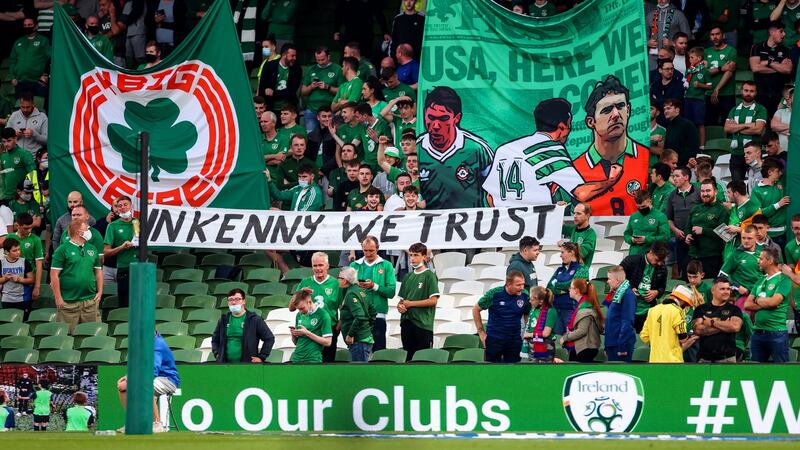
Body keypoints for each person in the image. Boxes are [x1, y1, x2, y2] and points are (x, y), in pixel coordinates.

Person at [484, 97, 622, 208]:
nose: (569, 129)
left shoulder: (504, 149)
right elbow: (581, 193)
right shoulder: (550, 149)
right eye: (569, 124)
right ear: (562, 126)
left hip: (504, 229)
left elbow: (490, 196)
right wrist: (610, 180)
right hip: (534, 228)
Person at [572, 75, 650, 216]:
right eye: (607, 110)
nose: (616, 114)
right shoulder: (575, 169)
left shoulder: (646, 157)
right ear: (591, 122)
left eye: (620, 106)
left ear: (628, 110)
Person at [417, 86, 493, 209]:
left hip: (471, 224)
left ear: (456, 118)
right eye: (431, 117)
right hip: (432, 224)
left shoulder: (478, 149)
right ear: (424, 114)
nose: (436, 125)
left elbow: (495, 189)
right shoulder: (417, 149)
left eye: (443, 118)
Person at [117, 331, 181, 433]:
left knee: (146, 386)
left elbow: (153, 370)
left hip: (168, 380)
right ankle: (132, 423)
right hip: (150, 378)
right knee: (122, 387)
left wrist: (135, 381)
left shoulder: (157, 344)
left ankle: (157, 424)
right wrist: (127, 377)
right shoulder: (141, 344)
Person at [51, 220, 103, 334]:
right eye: (86, 229)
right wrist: (58, 298)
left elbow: (98, 272)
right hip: (69, 302)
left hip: (90, 301)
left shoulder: (92, 249)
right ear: (80, 233)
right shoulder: (62, 249)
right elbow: (54, 275)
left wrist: (100, 292)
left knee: (93, 336)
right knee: (66, 336)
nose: (89, 231)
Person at [744, 247, 792, 363]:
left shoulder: (783, 280)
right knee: (755, 372)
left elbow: (774, 302)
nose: (757, 261)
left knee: (781, 371)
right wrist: (765, 302)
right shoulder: (760, 280)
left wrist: (757, 299)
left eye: (760, 259)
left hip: (777, 333)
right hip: (758, 332)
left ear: (770, 261)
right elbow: (747, 304)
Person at [349, 236, 396, 351]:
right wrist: (356, 287)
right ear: (361, 248)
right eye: (365, 250)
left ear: (378, 248)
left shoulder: (386, 265)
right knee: (358, 352)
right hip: (357, 316)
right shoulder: (354, 266)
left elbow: (391, 292)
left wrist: (374, 286)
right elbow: (346, 290)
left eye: (371, 250)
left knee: (378, 352)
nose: (368, 253)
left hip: (378, 315)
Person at [473, 270, 531, 363]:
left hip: (514, 340)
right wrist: (481, 332)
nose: (522, 287)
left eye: (523, 284)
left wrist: (525, 332)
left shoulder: (525, 295)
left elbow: (527, 313)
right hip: (494, 339)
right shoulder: (495, 293)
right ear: (508, 284)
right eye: (518, 285)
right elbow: (476, 309)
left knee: (513, 371)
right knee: (492, 372)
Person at [294, 252, 341, 362]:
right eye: (315, 266)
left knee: (327, 363)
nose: (318, 268)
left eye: (321, 265)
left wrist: (339, 325)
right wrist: (301, 292)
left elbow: (343, 306)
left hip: (329, 328)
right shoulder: (305, 282)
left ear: (327, 266)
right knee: (311, 361)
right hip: (310, 327)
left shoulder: (335, 283)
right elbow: (292, 307)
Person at [397, 242, 439, 360]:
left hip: (423, 324)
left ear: (425, 257)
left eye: (416, 255)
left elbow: (433, 300)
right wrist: (400, 307)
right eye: (410, 255)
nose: (412, 258)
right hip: (406, 322)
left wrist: (410, 304)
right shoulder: (407, 276)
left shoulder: (429, 275)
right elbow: (401, 301)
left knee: (423, 360)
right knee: (408, 358)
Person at [211, 288, 275, 363]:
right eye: (230, 300)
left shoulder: (255, 320)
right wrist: (217, 354)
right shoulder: (223, 320)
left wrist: (261, 357)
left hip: (247, 366)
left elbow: (269, 338)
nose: (234, 302)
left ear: (243, 301)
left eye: (237, 299)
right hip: (225, 366)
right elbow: (215, 340)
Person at [640, 285, 698, 363]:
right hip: (673, 361)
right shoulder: (677, 311)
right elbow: (683, 338)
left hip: (654, 360)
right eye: (686, 304)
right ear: (682, 301)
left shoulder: (652, 310)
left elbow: (644, 337)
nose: (685, 307)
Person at [620, 241, 669, 332]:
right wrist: (629, 288)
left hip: (647, 311)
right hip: (628, 308)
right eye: (658, 259)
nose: (659, 263)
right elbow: (617, 277)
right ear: (651, 252)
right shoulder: (631, 260)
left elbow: (662, 287)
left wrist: (656, 292)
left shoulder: (662, 268)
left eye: (662, 261)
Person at [692, 276, 744, 363]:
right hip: (705, 360)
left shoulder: (735, 309)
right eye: (722, 289)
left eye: (728, 289)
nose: (726, 292)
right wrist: (724, 326)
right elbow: (697, 330)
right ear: (713, 290)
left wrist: (712, 322)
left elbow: (735, 327)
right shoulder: (701, 309)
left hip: (727, 359)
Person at [724, 81, 767, 182]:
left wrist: (736, 128)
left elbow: (758, 130)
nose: (748, 93)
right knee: (738, 186)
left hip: (754, 154)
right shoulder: (734, 109)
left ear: (756, 93)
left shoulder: (760, 109)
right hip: (736, 153)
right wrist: (747, 125)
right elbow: (727, 129)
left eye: (751, 91)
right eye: (746, 90)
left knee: (756, 183)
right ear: (741, 91)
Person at [750, 20, 793, 117]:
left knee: (776, 125)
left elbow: (787, 70)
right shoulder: (757, 47)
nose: (784, 34)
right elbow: (755, 68)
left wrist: (768, 63)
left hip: (779, 95)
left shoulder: (785, 50)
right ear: (772, 32)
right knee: (761, 124)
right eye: (781, 31)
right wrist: (778, 68)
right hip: (761, 94)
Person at [685, 179, 728, 277]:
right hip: (693, 256)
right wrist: (687, 236)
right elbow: (687, 227)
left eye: (708, 191)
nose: (705, 194)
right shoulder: (695, 208)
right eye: (702, 191)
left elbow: (725, 234)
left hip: (711, 257)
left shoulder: (721, 210)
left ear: (716, 191)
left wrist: (703, 231)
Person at [547, 242, 589, 335]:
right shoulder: (560, 270)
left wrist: (557, 285)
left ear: (572, 252)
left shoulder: (582, 269)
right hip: (556, 309)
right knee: (557, 340)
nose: (560, 256)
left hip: (571, 310)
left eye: (562, 252)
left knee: (571, 340)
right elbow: (549, 286)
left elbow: (574, 285)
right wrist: (564, 289)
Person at [560, 278, 604, 362]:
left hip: (584, 348)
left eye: (570, 287)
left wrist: (565, 338)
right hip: (582, 347)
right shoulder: (582, 305)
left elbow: (582, 330)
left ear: (576, 290)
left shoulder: (585, 309)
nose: (569, 290)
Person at [103, 196, 135, 308]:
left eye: (125, 204)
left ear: (131, 206)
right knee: (125, 306)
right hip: (124, 269)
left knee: (142, 304)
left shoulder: (138, 223)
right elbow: (105, 252)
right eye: (119, 206)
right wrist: (121, 247)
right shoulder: (113, 226)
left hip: (140, 268)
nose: (122, 208)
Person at [337, 266, 374, 362]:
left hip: (358, 340)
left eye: (339, 278)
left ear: (345, 280)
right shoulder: (361, 291)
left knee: (360, 372)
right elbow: (372, 312)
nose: (338, 280)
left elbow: (360, 316)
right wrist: (367, 329)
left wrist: (350, 334)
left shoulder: (351, 294)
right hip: (363, 338)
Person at [8, 17, 51, 98]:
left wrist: (46, 74)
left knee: (38, 106)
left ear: (36, 26)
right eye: (25, 25)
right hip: (20, 81)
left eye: (30, 25)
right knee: (22, 107)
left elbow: (51, 59)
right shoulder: (18, 42)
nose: (27, 27)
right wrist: (12, 77)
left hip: (38, 81)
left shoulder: (43, 40)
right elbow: (12, 61)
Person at [751, 157, 790, 248]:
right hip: (767, 235)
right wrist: (777, 205)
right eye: (777, 171)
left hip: (785, 232)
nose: (780, 173)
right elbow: (758, 214)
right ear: (769, 172)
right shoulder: (757, 191)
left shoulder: (781, 183)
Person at [704, 26, 738, 126]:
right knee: (710, 124)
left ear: (723, 36)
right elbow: (704, 73)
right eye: (712, 35)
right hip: (709, 94)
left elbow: (729, 71)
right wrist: (720, 68)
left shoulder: (731, 51)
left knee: (727, 124)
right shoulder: (706, 52)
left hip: (727, 94)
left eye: (717, 34)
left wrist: (717, 89)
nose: (715, 37)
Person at [646, 0, 693, 71]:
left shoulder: (679, 14)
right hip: (653, 57)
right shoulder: (650, 15)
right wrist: (647, 42)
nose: (661, 0)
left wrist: (673, 43)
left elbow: (688, 36)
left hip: (672, 56)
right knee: (653, 79)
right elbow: (644, 35)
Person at [603, 265, 637, 362]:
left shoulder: (628, 295)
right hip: (612, 343)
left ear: (617, 280)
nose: (607, 281)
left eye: (609, 278)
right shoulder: (618, 293)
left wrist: (622, 346)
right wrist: (607, 345)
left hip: (620, 345)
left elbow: (627, 321)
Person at [289, 288, 332, 364]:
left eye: (302, 308)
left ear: (309, 302)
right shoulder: (299, 315)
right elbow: (296, 342)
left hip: (313, 359)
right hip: (297, 358)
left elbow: (328, 342)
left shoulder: (323, 315)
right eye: (298, 309)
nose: (300, 312)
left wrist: (307, 333)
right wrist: (293, 335)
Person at [257, 43, 301, 113]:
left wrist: (274, 93)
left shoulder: (297, 69)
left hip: (289, 109)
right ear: (284, 55)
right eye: (292, 56)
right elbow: (262, 87)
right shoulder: (269, 66)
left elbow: (291, 91)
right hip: (271, 108)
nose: (294, 58)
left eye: (295, 56)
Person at [623, 190, 671, 255]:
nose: (641, 209)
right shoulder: (634, 216)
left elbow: (665, 237)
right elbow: (626, 234)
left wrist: (647, 239)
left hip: (651, 255)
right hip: (633, 254)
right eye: (638, 207)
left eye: (643, 206)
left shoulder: (660, 216)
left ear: (650, 201)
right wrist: (631, 239)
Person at [0, 237, 34, 318]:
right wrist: (5, 278)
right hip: (7, 299)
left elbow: (32, 280)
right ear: (7, 252)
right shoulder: (1, 263)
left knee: (23, 322)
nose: (18, 252)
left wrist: (19, 279)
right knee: (8, 323)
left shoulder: (24, 262)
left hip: (23, 298)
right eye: (14, 251)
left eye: (19, 249)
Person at [0, 128, 36, 204]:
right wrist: (3, 194)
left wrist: (26, 192)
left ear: (15, 139)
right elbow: (3, 177)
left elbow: (33, 175)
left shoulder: (25, 154)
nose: (6, 144)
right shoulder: (3, 156)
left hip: (21, 197)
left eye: (9, 140)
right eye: (4, 141)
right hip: (7, 197)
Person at [522, 286, 557, 362]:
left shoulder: (550, 311)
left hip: (544, 345)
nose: (529, 301)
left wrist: (528, 335)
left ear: (540, 301)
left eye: (532, 300)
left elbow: (545, 333)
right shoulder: (534, 309)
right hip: (533, 344)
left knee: (543, 368)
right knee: (533, 369)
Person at [662, 98, 700, 165]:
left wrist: (678, 163)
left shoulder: (688, 125)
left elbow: (692, 148)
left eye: (668, 108)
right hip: (671, 165)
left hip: (684, 166)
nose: (665, 111)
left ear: (677, 110)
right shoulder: (669, 126)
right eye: (664, 109)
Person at [569, 202, 596, 267]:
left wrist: (564, 245)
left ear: (587, 216)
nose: (575, 216)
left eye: (578, 213)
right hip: (569, 272)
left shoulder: (591, 234)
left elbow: (581, 254)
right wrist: (559, 208)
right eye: (574, 213)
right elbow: (556, 225)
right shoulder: (573, 229)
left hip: (581, 274)